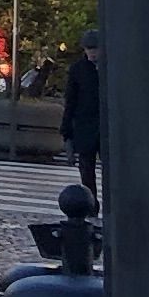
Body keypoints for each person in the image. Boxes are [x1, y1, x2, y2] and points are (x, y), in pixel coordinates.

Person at [58, 30, 104, 194]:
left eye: (94, 48)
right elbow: (70, 100)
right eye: (88, 49)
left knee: (110, 170)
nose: (91, 52)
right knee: (86, 169)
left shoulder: (110, 67)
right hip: (85, 125)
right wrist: (66, 130)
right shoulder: (78, 69)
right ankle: (91, 203)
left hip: (106, 125)